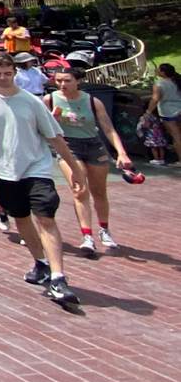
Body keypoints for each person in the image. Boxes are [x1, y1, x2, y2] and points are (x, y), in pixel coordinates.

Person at [0, 52, 85, 306]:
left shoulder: (31, 101)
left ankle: (58, 277)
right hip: (4, 170)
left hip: (36, 168)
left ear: (15, 73)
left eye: (7, 73)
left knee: (46, 217)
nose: (3, 78)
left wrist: (75, 168)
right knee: (21, 217)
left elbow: (54, 136)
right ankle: (40, 263)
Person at [45, 67, 130, 256]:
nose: (62, 84)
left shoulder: (93, 101)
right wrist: (52, 121)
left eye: (67, 80)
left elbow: (108, 128)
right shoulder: (50, 100)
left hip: (93, 144)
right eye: (59, 81)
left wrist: (121, 153)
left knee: (99, 191)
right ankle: (87, 236)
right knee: (79, 189)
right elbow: (41, 127)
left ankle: (104, 229)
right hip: (68, 146)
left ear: (77, 81)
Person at [144, 63, 181, 166]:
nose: (157, 71)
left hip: (168, 113)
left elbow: (155, 99)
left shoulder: (159, 84)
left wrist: (148, 112)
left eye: (159, 70)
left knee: (176, 137)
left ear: (163, 73)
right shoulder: (177, 81)